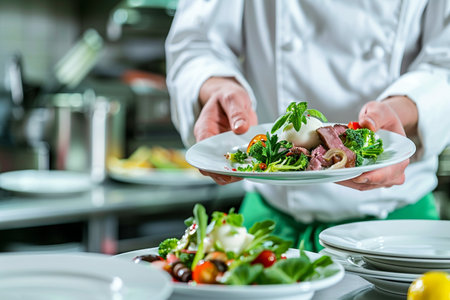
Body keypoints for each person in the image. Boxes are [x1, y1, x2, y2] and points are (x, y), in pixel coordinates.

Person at [165, 1, 450, 251]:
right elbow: (197, 40)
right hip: (269, 226)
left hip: (398, 229)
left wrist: (401, 110)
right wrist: (216, 86)